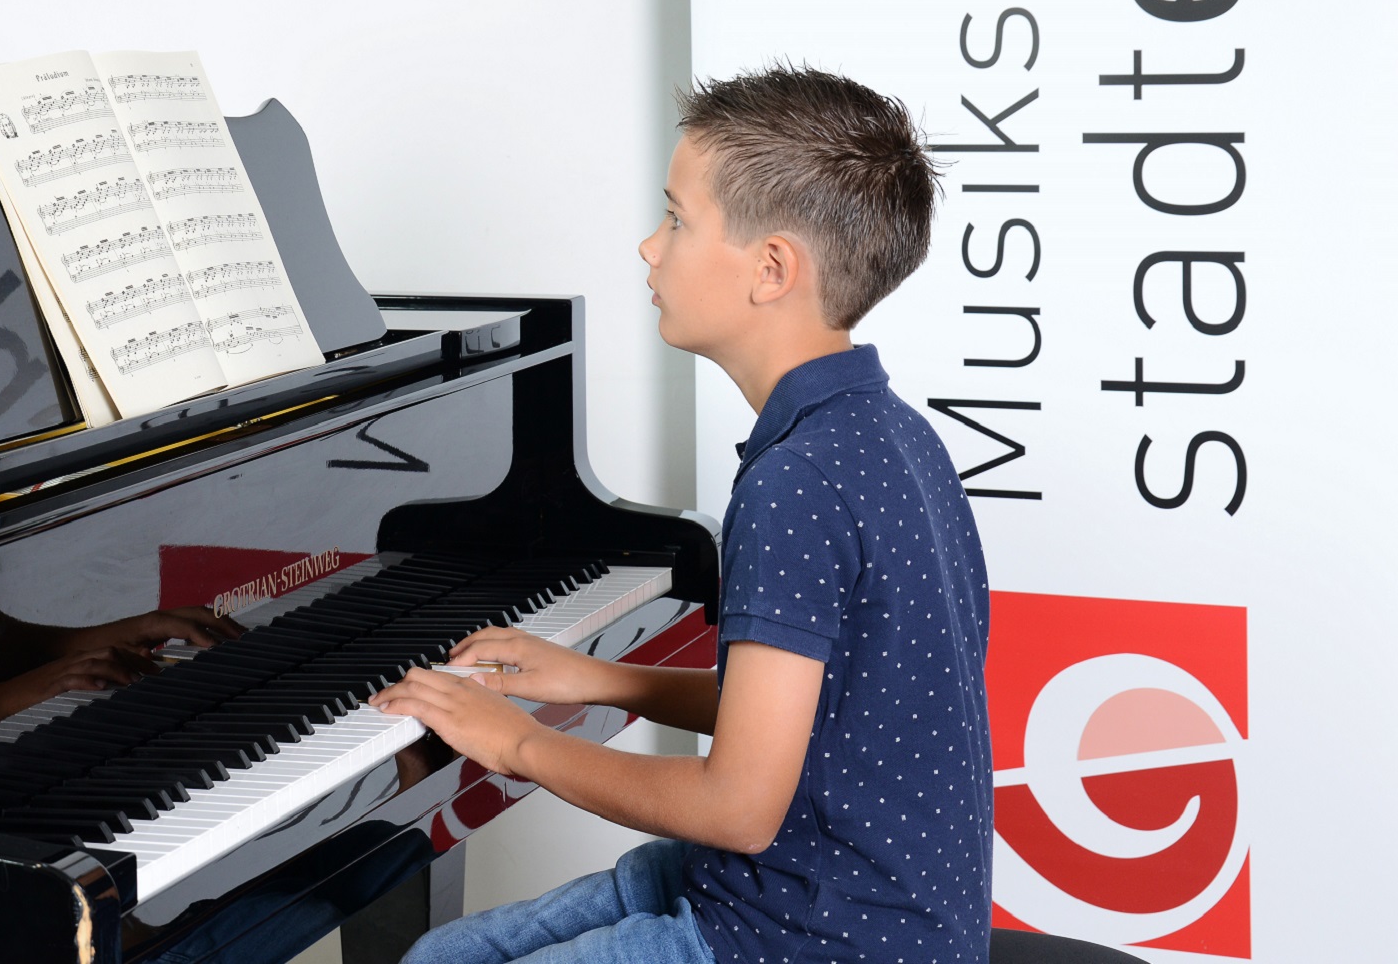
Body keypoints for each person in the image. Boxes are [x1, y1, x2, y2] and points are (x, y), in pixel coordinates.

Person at [372, 65, 994, 964]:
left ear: (771, 270)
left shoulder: (796, 483)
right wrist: (598, 679)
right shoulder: (890, 434)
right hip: (845, 898)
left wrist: (515, 744)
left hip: (814, 936)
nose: (648, 247)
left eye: (677, 219)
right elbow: (822, 711)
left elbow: (738, 809)